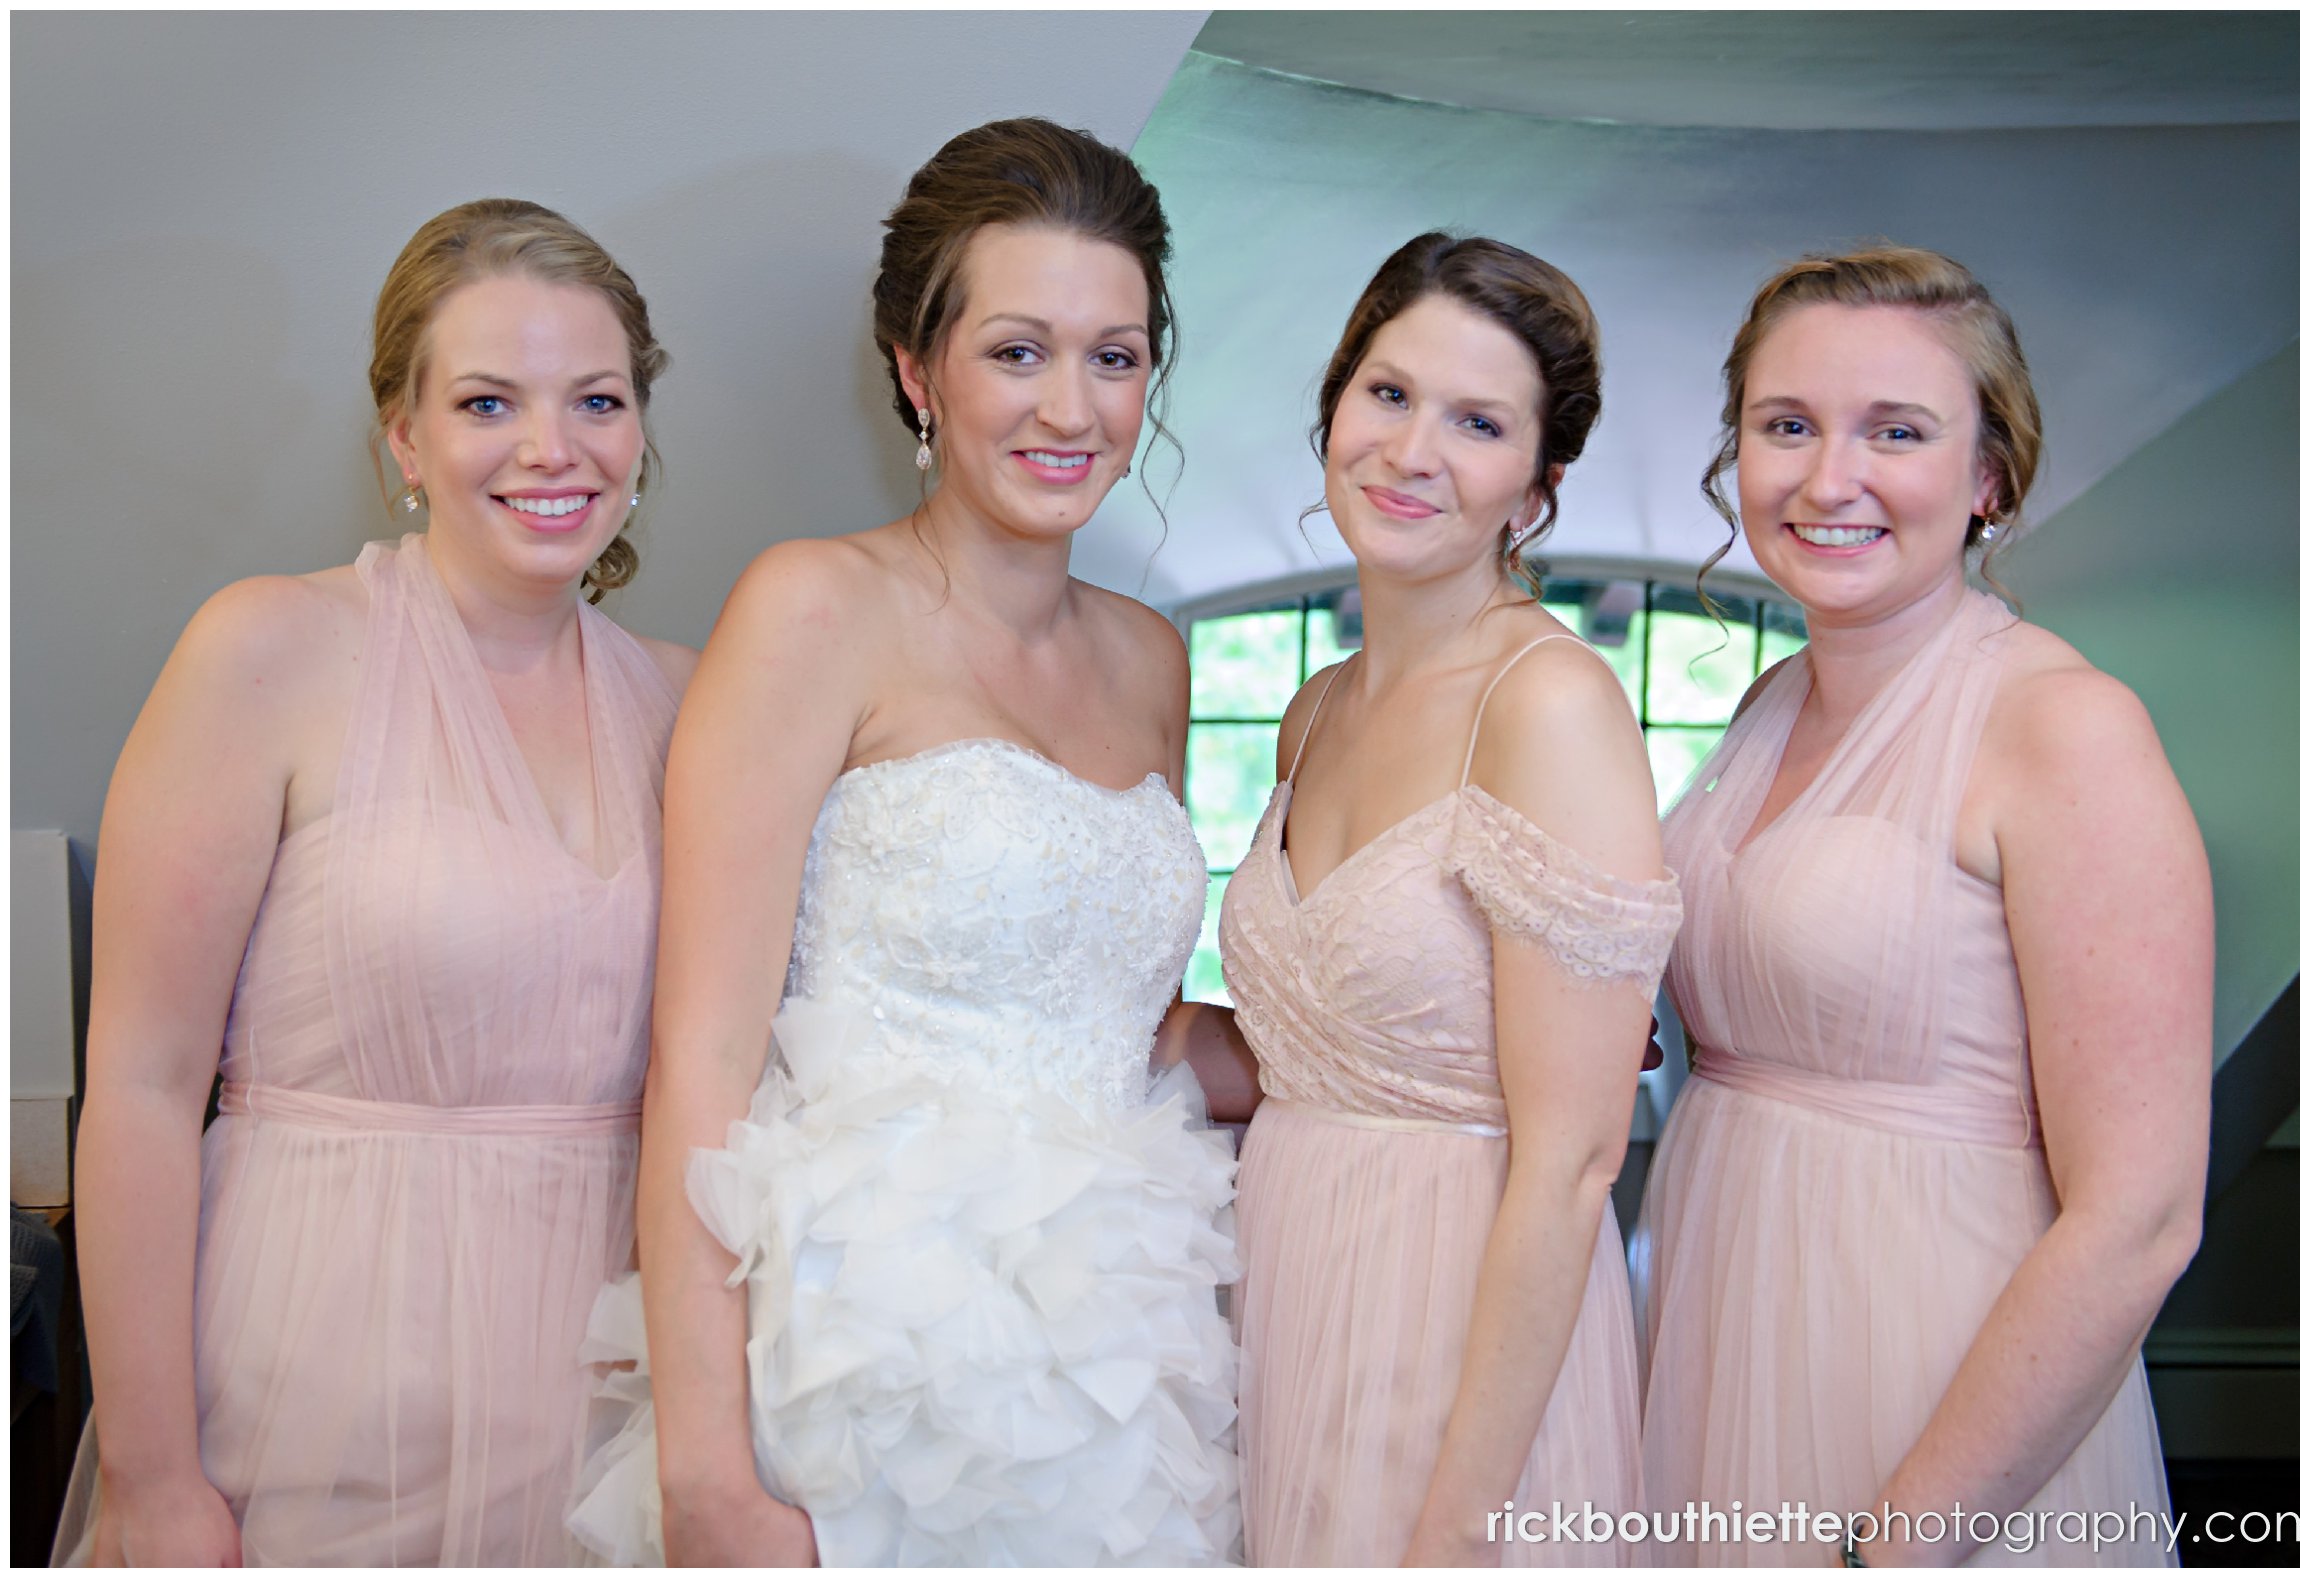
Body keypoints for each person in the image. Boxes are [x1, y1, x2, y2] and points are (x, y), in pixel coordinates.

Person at [565, 118, 1252, 1568]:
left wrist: (1399, 1043)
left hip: (1113, 1352)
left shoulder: (1151, 658)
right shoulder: (814, 609)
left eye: (1115, 356)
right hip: (858, 1353)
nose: (1072, 406)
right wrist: (706, 1477)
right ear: (914, 369)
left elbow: (1124, 1023)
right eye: (1018, 351)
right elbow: (701, 1057)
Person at [55, 198, 696, 1566]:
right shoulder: (267, 651)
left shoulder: (698, 704)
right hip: (319, 1383)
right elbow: (145, 1081)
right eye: (485, 400)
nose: (551, 446)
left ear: (640, 431)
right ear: (400, 438)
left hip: (604, 1403)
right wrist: (153, 1473)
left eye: (596, 396)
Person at [1633, 245, 2208, 1565]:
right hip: (1722, 1335)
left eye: (1897, 430)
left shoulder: (2065, 727)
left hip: (1928, 1387)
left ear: (1990, 473)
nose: (1830, 479)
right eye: (1788, 427)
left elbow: (2141, 1215)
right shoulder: (1768, 705)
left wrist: (1901, 1540)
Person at [1219, 232, 1681, 1567]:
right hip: (1289, 1288)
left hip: (1461, 1331)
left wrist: (1458, 1524)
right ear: (1334, 405)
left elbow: (1576, 1155)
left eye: (1477, 422)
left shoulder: (1547, 703)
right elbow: (1294, 1043)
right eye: (1388, 392)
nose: (1413, 449)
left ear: (1534, 487)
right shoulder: (1315, 709)